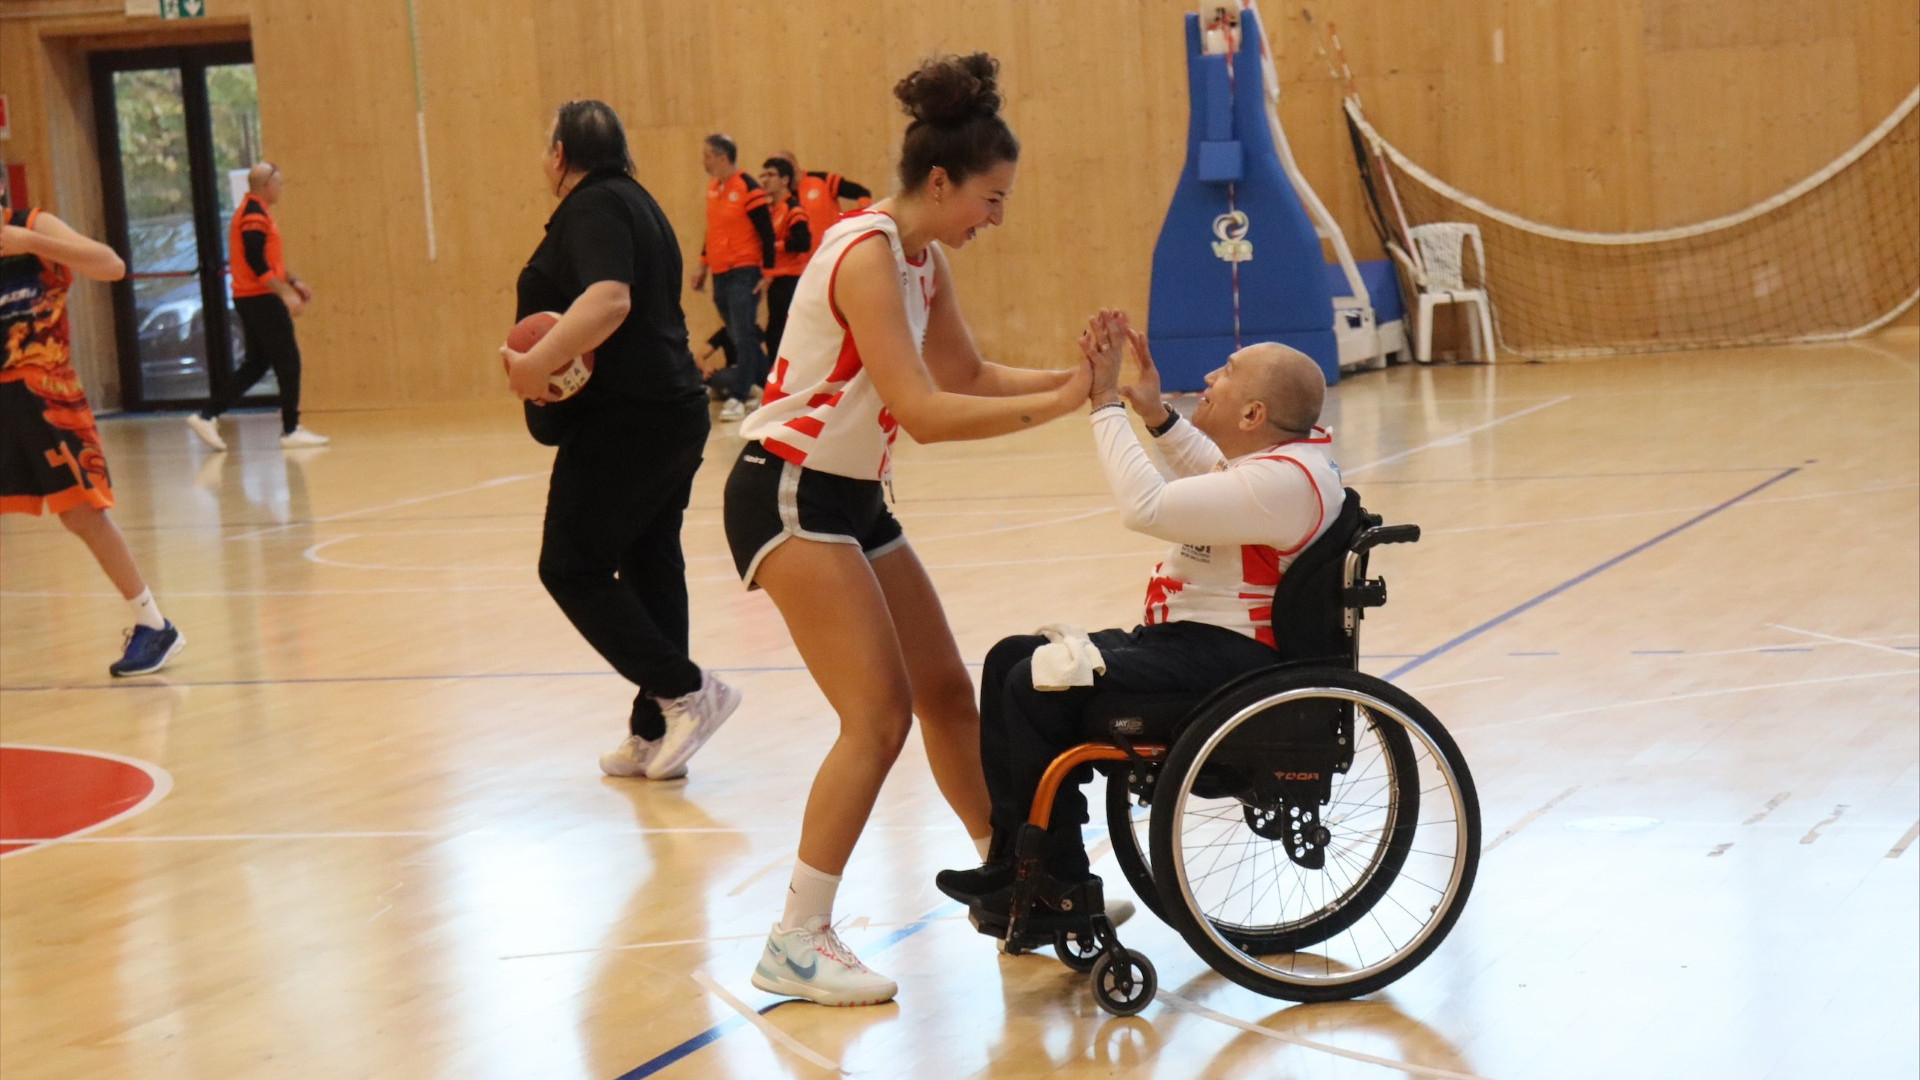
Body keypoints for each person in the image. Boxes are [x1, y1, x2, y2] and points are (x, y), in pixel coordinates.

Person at [725, 53, 1092, 1007]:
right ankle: (796, 937)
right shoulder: (866, 251)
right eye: (992, 197)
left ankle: (1016, 891)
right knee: (878, 716)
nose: (998, 217)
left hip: (852, 497)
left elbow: (965, 372)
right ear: (942, 182)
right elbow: (923, 411)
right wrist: (1061, 409)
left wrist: (1077, 383)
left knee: (946, 690)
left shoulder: (921, 259)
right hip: (789, 488)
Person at [936, 311, 1344, 927]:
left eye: (1227, 372)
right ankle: (1024, 867)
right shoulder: (1283, 468)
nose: (1209, 375)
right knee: (1009, 658)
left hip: (1230, 664)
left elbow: (1146, 506)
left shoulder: (1282, 484)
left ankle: (1057, 882)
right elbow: (1215, 476)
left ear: (1253, 414)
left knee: (1036, 681)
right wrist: (1156, 416)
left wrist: (1104, 403)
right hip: (1202, 647)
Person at [501, 100, 739, 782]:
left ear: (559, 155)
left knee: (569, 566)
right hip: (670, 411)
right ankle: (655, 725)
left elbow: (610, 300)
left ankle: (691, 690)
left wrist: (535, 364)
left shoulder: (594, 207)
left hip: (629, 421)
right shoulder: (638, 201)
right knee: (648, 559)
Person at [0, 185, 185, 676]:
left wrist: (34, 243)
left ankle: (154, 625)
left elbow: (111, 265)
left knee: (82, 516)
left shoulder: (32, 225)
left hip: (44, 393)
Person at [186, 162, 327, 451]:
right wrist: (284, 293)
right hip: (259, 297)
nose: (282, 187)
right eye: (279, 182)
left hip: (251, 296)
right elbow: (255, 260)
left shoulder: (258, 213)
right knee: (288, 359)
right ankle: (290, 429)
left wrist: (294, 281)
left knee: (257, 363)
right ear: (266, 185)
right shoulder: (252, 216)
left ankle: (207, 415)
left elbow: (269, 261)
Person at [689, 134, 776, 422]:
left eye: (707, 156)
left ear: (723, 157)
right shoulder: (714, 188)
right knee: (740, 335)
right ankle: (773, 392)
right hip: (720, 272)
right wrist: (703, 265)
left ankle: (739, 398)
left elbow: (766, 232)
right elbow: (712, 230)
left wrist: (769, 271)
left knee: (744, 331)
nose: (704, 161)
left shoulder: (748, 187)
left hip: (745, 270)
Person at [755, 156, 812, 361]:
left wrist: (775, 246)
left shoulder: (793, 208)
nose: (765, 180)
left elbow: (803, 242)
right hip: (776, 278)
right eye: (763, 175)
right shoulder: (771, 210)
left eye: (771, 175)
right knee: (775, 332)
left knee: (780, 331)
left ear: (785, 180)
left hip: (790, 278)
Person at [775, 150, 874, 246]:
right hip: (804, 259)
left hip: (833, 249)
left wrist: (863, 221)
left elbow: (861, 192)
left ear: (794, 166)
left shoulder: (823, 180)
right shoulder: (779, 197)